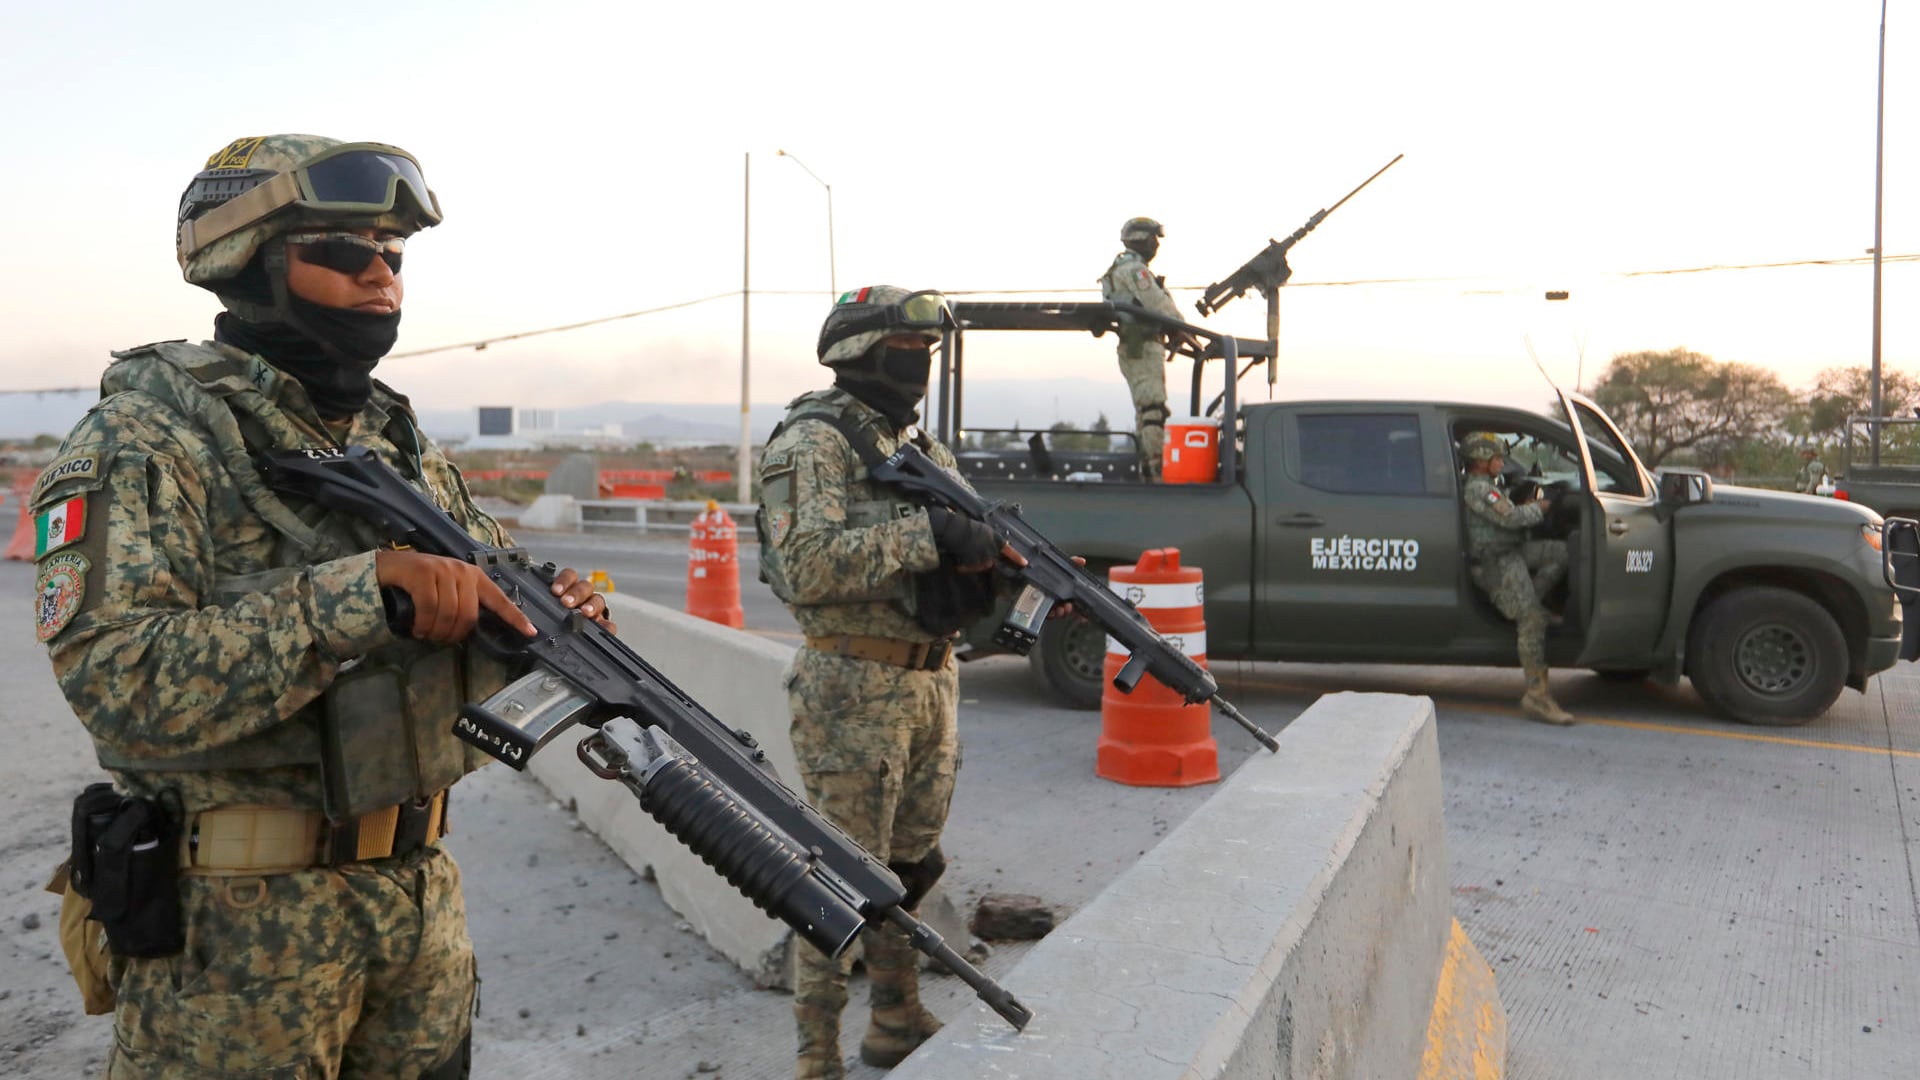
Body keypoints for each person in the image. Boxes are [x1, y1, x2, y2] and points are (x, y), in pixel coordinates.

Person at [33, 133, 610, 1078]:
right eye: (344, 253)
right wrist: (355, 596)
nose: (380, 277)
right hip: (236, 939)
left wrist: (543, 610)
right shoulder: (149, 436)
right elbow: (117, 678)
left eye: (394, 255)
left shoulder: (392, 439)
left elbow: (484, 579)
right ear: (247, 262)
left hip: (418, 909)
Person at [757, 286, 1010, 1079]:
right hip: (850, 685)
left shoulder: (919, 447)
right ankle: (817, 1058)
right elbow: (804, 565)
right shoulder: (814, 441)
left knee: (911, 867)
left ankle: (895, 1019)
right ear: (859, 351)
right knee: (836, 884)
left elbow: (963, 538)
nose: (919, 365)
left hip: (930, 683)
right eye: (906, 350)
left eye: (928, 352)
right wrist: (925, 532)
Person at [1458, 432, 1576, 726]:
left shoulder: (1489, 486)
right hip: (1496, 562)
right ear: (1482, 462)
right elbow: (1511, 518)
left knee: (1561, 552)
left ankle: (1529, 601)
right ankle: (1537, 695)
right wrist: (1540, 507)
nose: (1502, 462)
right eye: (1497, 457)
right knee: (1532, 621)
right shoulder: (1478, 490)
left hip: (1512, 549)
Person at [1098, 216, 1187, 480]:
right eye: (1153, 238)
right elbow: (1157, 304)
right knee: (1152, 408)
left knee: (1146, 409)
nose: (1156, 244)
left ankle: (1149, 466)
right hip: (1143, 346)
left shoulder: (1120, 268)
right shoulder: (1134, 270)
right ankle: (1156, 469)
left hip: (1136, 345)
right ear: (1140, 238)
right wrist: (1181, 327)